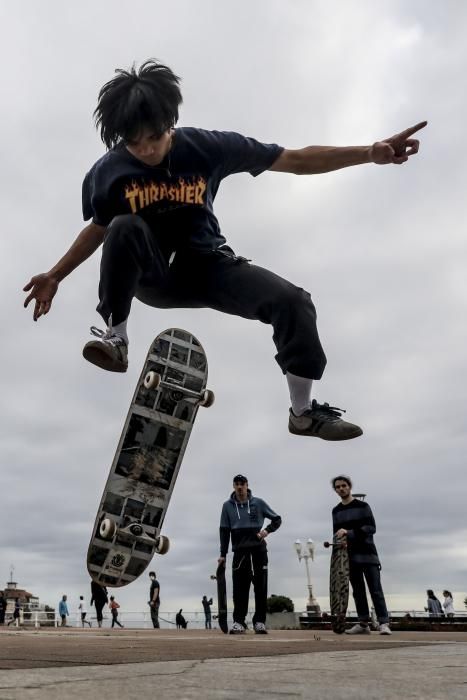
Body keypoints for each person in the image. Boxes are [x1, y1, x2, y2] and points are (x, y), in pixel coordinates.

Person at [23, 59, 427, 442]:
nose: (146, 150)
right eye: (135, 143)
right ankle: (116, 337)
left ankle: (303, 414)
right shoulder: (107, 171)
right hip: (153, 276)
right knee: (123, 226)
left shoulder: (207, 147)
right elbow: (98, 229)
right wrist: (55, 275)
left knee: (293, 302)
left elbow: (295, 160)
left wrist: (367, 154)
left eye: (155, 138)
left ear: (171, 125)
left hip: (208, 266)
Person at [219, 474, 281, 635]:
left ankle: (259, 622)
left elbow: (277, 519)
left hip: (259, 550)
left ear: (247, 485)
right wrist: (223, 554)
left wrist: (266, 531)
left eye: (242, 484)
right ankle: (239, 622)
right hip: (240, 551)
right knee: (240, 587)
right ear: (233, 486)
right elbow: (224, 531)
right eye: (236, 484)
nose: (240, 487)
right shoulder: (227, 506)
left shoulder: (258, 503)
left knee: (261, 586)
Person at [331, 475, 391, 635]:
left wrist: (349, 533)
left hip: (368, 555)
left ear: (349, 486)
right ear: (335, 490)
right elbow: (336, 534)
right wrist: (339, 544)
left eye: (344, 485)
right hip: (349, 557)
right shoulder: (335, 511)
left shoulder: (363, 506)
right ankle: (363, 623)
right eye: (338, 487)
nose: (341, 489)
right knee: (357, 591)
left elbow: (371, 528)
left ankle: (383, 623)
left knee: (376, 590)